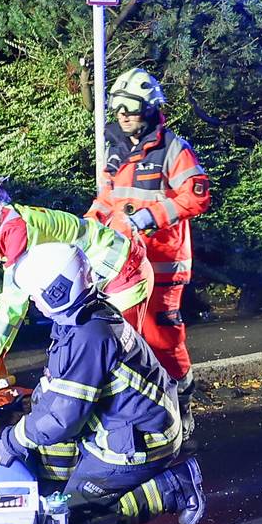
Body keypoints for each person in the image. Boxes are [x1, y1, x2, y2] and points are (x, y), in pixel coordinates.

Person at [0, 242, 205, 524]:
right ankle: (68, 488)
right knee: (49, 461)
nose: (33, 299)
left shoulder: (89, 337)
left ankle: (174, 487)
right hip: (134, 423)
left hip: (139, 442)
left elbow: (62, 417)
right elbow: (58, 392)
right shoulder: (81, 318)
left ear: (57, 291)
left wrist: (11, 443)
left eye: (36, 292)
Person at [0, 158, 150, 377]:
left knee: (118, 359)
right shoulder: (6, 219)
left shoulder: (14, 231)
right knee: (95, 356)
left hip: (120, 271)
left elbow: (13, 302)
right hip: (108, 269)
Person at [90, 68, 211, 381]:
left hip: (162, 262)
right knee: (126, 337)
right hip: (125, 265)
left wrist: (151, 217)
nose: (122, 113)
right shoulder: (116, 149)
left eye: (130, 106)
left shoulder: (173, 149)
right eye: (117, 106)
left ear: (148, 107)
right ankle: (144, 399)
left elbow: (196, 197)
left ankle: (181, 394)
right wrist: (87, 227)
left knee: (161, 338)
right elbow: (107, 199)